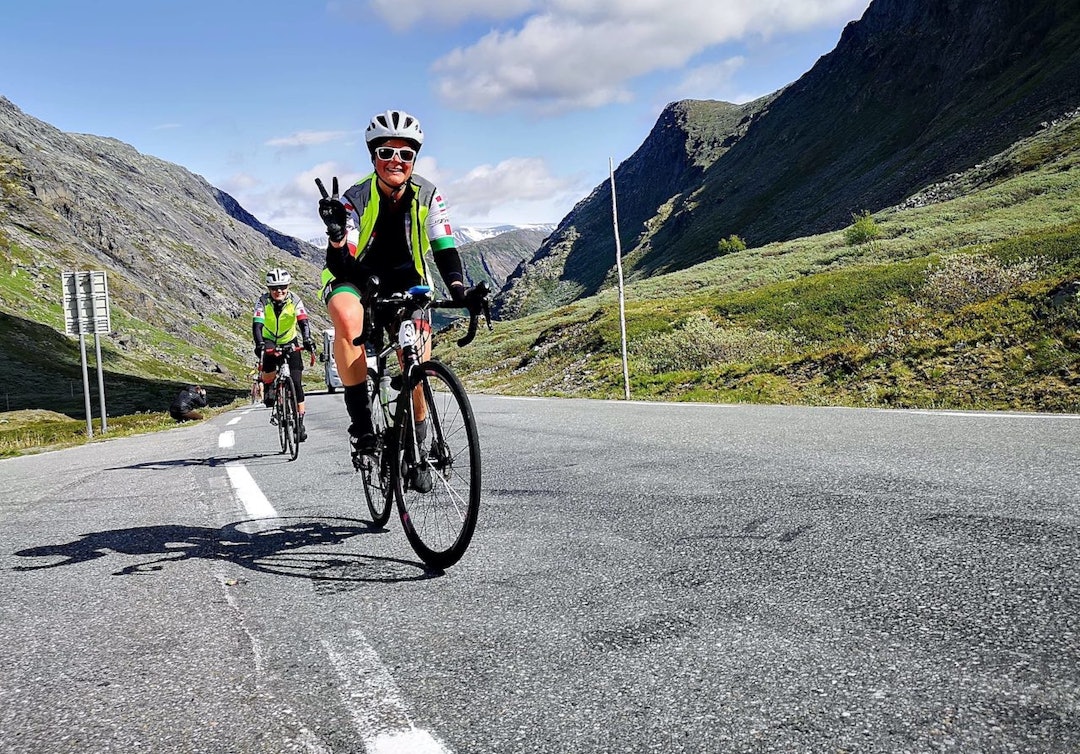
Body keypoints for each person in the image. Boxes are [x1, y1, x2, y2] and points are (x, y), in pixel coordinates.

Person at [315, 109, 483, 462]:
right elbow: (341, 261)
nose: (396, 160)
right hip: (354, 276)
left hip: (409, 280)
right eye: (386, 152)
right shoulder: (353, 199)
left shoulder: (430, 194)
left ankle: (417, 440)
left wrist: (459, 290)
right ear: (373, 156)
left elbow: (444, 248)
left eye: (405, 154)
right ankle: (362, 426)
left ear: (414, 159)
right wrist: (335, 236)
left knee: (417, 369)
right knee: (347, 318)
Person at [252, 268, 316, 442]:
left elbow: (303, 322)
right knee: (269, 368)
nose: (278, 291)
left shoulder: (295, 300)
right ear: (269, 289)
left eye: (282, 287)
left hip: (289, 339)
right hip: (269, 339)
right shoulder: (262, 302)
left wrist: (308, 339)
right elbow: (257, 324)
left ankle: (299, 422)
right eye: (274, 288)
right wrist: (260, 344)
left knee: (296, 383)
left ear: (288, 286)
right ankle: (270, 389)